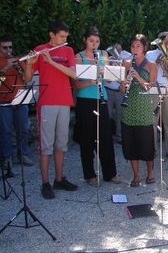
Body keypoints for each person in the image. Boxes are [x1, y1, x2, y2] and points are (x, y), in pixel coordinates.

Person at [24, 21, 78, 199]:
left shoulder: (68, 51)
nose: (64, 39)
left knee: (61, 143)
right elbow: (28, 78)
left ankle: (59, 179)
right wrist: (30, 64)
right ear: (51, 34)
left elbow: (73, 74)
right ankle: (45, 183)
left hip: (64, 101)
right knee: (46, 145)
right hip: (46, 102)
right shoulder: (40, 49)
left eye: (66, 37)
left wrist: (51, 62)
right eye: (61, 36)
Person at [73, 26, 118, 186]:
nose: (94, 44)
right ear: (85, 40)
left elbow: (110, 79)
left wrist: (105, 72)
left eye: (97, 41)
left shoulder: (103, 55)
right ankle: (89, 174)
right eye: (91, 41)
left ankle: (110, 173)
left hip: (101, 98)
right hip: (85, 100)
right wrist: (90, 81)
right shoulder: (78, 57)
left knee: (105, 136)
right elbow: (76, 84)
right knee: (86, 137)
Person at [120, 34, 157, 187]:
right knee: (130, 144)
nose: (135, 49)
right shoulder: (126, 64)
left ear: (144, 48)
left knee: (147, 144)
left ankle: (150, 173)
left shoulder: (151, 65)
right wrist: (125, 82)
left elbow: (152, 86)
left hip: (144, 108)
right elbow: (121, 89)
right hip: (128, 108)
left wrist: (139, 79)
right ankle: (136, 175)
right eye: (133, 46)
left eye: (138, 46)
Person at [0, 36, 34, 177]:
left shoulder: (17, 60)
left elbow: (27, 79)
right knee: (6, 132)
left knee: (23, 129)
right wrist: (6, 67)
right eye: (5, 47)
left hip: (20, 100)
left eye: (10, 47)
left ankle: (23, 154)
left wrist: (28, 64)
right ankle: (7, 158)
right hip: (3, 102)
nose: (8, 50)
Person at [146, 31, 168, 160]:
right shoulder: (150, 54)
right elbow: (145, 70)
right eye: (166, 41)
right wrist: (156, 62)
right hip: (155, 89)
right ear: (159, 41)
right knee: (153, 121)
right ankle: (152, 150)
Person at [105, 43, 133, 143]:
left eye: (119, 49)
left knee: (120, 115)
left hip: (120, 91)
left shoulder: (127, 57)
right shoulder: (109, 59)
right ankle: (106, 135)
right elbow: (107, 78)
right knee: (107, 115)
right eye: (115, 49)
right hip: (108, 90)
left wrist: (122, 66)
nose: (117, 51)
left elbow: (128, 73)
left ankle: (119, 136)